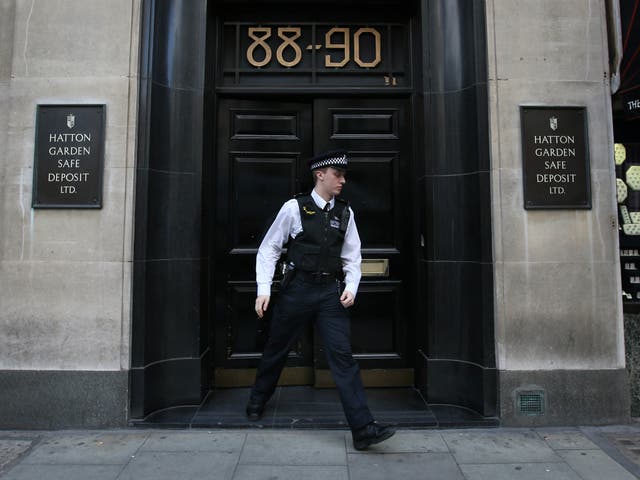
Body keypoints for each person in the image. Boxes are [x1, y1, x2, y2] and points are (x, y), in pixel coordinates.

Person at [246, 149, 395, 450]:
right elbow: (270, 248)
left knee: (343, 358)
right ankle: (257, 400)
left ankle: (363, 429)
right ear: (320, 175)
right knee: (277, 348)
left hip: (329, 293)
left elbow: (352, 255)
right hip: (297, 289)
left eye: (343, 175)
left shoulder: (345, 212)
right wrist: (264, 289)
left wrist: (351, 286)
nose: (343, 180)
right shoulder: (294, 208)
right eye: (338, 175)